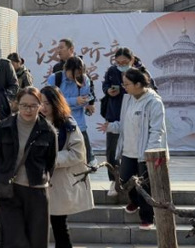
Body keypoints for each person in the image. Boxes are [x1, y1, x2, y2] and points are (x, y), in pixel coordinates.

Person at [0, 87, 57, 248]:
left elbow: (50, 163)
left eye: (33, 105)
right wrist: (5, 176)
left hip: (37, 190)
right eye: (24, 105)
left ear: (40, 106)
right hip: (11, 190)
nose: (28, 110)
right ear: (16, 105)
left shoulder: (47, 130)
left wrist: (39, 178)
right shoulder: (4, 127)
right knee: (12, 239)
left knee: (36, 240)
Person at [39, 85, 93, 248]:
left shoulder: (67, 124)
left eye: (47, 103)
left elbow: (78, 154)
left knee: (60, 227)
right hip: (41, 182)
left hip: (60, 183)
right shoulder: (37, 122)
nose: (43, 107)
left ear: (56, 103)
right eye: (41, 103)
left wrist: (51, 159)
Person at [100, 68, 167, 229]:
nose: (124, 87)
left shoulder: (154, 102)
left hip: (146, 152)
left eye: (127, 84)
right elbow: (124, 123)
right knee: (124, 180)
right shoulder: (128, 99)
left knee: (144, 186)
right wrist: (111, 127)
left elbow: (157, 130)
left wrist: (151, 153)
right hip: (128, 150)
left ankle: (147, 218)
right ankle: (135, 201)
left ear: (138, 84)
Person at [99, 47, 155, 197]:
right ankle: (114, 180)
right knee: (112, 150)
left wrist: (124, 91)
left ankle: (139, 188)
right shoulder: (112, 71)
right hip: (115, 114)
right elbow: (105, 85)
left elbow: (150, 89)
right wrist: (108, 91)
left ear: (132, 60)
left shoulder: (141, 72)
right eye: (118, 62)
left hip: (137, 117)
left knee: (136, 153)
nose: (121, 65)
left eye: (124, 62)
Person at [50, 57, 97, 166]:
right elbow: (53, 100)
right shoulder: (55, 78)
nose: (76, 77)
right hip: (59, 119)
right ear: (66, 69)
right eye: (73, 73)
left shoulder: (84, 79)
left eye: (79, 74)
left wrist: (84, 102)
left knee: (82, 152)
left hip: (78, 121)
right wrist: (75, 101)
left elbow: (85, 99)